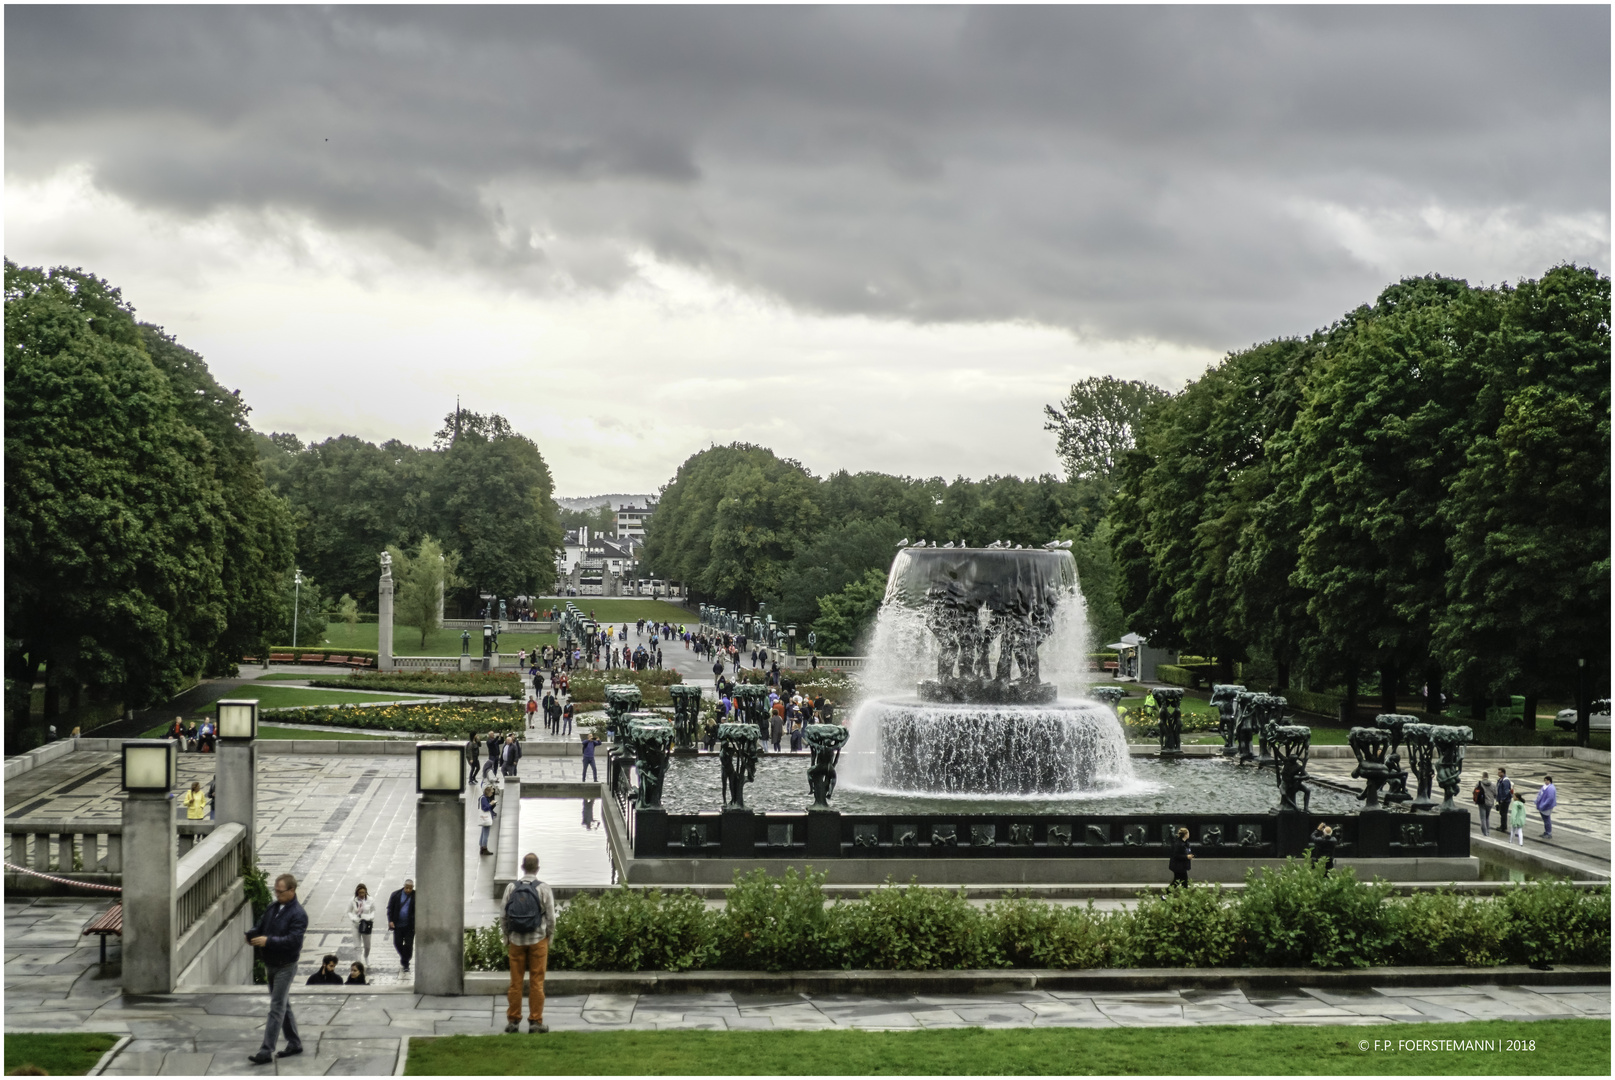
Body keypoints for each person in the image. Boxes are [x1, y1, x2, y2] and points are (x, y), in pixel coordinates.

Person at [246, 873, 307, 1065]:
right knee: (282, 1004)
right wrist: (252, 935)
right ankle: (294, 1043)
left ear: (292, 890)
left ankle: (266, 1050)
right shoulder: (273, 907)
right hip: (270, 963)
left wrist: (268, 941)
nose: (277, 895)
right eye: (276, 891)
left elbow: (293, 941)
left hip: (285, 966)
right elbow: (261, 926)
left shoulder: (298, 914)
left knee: (276, 1007)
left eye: (280, 892)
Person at [500, 852, 556, 1034]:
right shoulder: (544, 888)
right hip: (538, 940)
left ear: (522, 867)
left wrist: (507, 936)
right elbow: (551, 918)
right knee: (537, 982)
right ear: (537, 868)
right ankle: (535, 1022)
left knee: (515, 983)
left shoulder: (511, 888)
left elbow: (503, 915)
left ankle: (514, 1021)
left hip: (516, 941)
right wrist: (549, 937)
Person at [387, 879, 416, 974]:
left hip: (409, 926)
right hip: (398, 925)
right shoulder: (396, 895)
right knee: (397, 943)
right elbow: (390, 908)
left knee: (408, 945)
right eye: (406, 888)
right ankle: (405, 958)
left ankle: (405, 963)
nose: (408, 890)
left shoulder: (416, 896)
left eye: (410, 888)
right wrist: (390, 920)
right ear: (404, 886)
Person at [347, 883, 375, 963]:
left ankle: (366, 956)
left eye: (363, 892)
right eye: (360, 893)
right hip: (356, 924)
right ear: (357, 893)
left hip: (366, 924)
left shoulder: (370, 900)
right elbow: (348, 911)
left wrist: (370, 917)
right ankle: (358, 962)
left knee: (367, 946)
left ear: (366, 892)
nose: (362, 894)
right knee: (357, 946)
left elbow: (373, 910)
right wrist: (353, 918)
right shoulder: (353, 900)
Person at [1474, 772, 1496, 837]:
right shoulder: (1493, 784)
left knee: (1483, 818)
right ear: (1488, 777)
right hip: (1490, 803)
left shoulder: (1479, 783)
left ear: (1482, 777)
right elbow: (1496, 794)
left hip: (1482, 802)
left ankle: (1485, 833)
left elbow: (1474, 792)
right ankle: (1488, 832)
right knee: (1487, 818)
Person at [479, 785, 498, 856]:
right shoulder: (484, 799)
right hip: (486, 818)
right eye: (491, 792)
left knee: (483, 832)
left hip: (483, 818)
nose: (492, 794)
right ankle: (484, 848)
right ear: (488, 792)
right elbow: (485, 808)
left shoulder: (482, 797)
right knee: (485, 834)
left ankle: (481, 847)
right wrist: (491, 803)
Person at [1495, 768, 1514, 832]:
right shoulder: (1500, 780)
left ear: (1503, 773)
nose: (1498, 773)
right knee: (1501, 813)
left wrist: (1502, 800)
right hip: (1501, 799)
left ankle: (1503, 827)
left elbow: (1506, 792)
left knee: (1503, 813)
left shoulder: (1505, 780)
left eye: (1499, 772)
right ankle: (1502, 825)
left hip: (1505, 800)